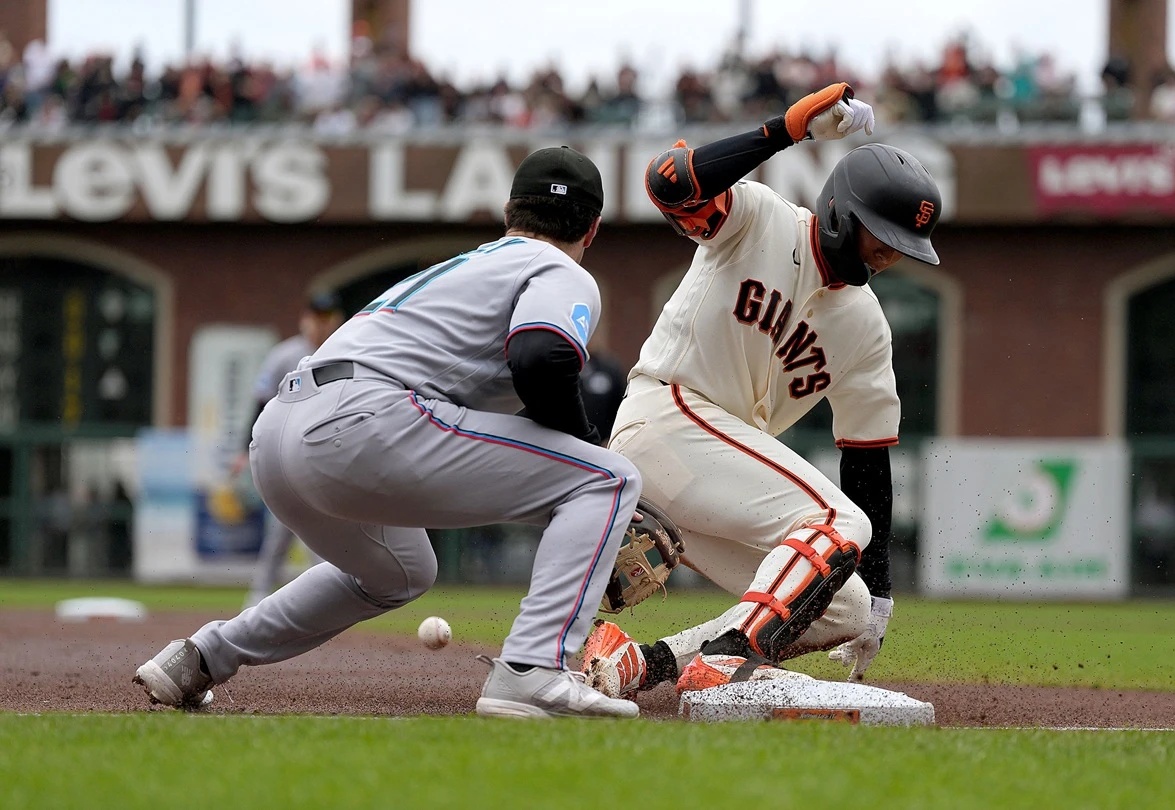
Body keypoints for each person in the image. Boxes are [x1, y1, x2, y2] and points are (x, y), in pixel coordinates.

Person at [134, 146, 643, 719]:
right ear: (593, 228)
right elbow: (541, 357)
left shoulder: (470, 266)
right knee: (610, 478)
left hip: (280, 434)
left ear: (508, 212)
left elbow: (519, 396)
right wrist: (589, 454)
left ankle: (202, 657)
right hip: (364, 419)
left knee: (403, 571)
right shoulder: (558, 268)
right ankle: (533, 668)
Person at [581, 82, 942, 698]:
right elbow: (669, 182)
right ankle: (732, 659)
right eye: (880, 236)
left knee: (841, 602)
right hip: (665, 418)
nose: (886, 256)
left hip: (717, 479)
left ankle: (642, 664)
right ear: (839, 211)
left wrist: (879, 589)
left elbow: (866, 456)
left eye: (900, 249)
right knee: (835, 520)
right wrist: (783, 131)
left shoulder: (866, 327)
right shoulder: (758, 220)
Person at [237, 292, 345, 608]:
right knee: (282, 530)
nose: (321, 324)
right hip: (287, 451)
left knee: (321, 528)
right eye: (317, 316)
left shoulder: (343, 350)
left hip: (328, 451)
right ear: (305, 319)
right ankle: (259, 596)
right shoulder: (285, 355)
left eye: (328, 317)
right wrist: (246, 448)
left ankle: (325, 595)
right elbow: (260, 401)